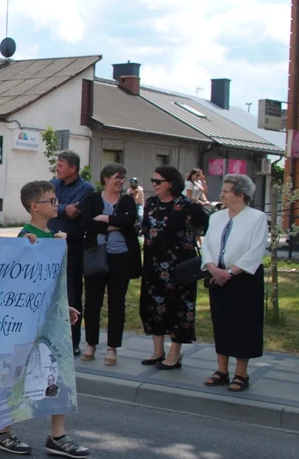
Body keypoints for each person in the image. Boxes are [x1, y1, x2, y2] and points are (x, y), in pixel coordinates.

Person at [0, 180, 90, 459]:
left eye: (55, 200)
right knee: (17, 372)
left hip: (49, 318)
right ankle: (2, 431)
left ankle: (58, 435)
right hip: (25, 321)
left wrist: (62, 306)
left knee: (59, 370)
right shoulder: (26, 238)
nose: (57, 205)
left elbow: (51, 281)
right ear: (34, 207)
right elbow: (18, 283)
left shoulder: (52, 236)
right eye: (51, 201)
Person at [201, 174, 268, 393]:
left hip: (244, 280)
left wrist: (229, 272)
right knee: (221, 322)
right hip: (217, 277)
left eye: (226, 190)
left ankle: (241, 373)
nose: (221, 194)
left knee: (244, 325)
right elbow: (207, 245)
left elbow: (256, 250)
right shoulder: (216, 217)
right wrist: (212, 268)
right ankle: (221, 370)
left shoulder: (257, 218)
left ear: (240, 194)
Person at [139, 166, 209, 369]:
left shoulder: (186, 205)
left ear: (171, 183)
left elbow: (208, 224)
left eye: (158, 181)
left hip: (179, 269)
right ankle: (158, 351)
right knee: (153, 309)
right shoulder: (151, 204)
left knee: (178, 309)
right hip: (153, 266)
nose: (154, 184)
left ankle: (175, 354)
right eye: (153, 180)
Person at [79, 163, 141, 365]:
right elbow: (87, 223)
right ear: (105, 178)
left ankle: (112, 347)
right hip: (96, 255)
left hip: (120, 256)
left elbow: (130, 221)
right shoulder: (93, 199)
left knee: (116, 302)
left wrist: (106, 218)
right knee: (93, 301)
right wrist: (115, 223)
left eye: (123, 178)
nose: (120, 181)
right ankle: (90, 343)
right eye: (117, 177)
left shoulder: (127, 200)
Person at [49, 149, 95, 356]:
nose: (56, 169)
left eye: (60, 165)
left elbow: (76, 214)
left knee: (72, 293)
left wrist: (58, 208)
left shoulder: (86, 189)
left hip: (73, 247)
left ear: (73, 168)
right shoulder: (53, 184)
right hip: (50, 243)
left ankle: (73, 340)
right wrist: (63, 208)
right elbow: (46, 206)